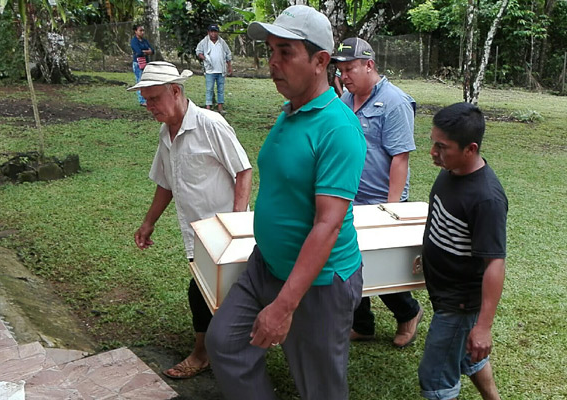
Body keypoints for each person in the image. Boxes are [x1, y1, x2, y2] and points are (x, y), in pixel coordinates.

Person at [205, 6, 366, 400]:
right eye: (271, 51)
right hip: (267, 265)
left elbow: (327, 225)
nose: (272, 64)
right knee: (225, 342)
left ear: (320, 61)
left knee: (320, 388)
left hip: (319, 283)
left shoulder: (339, 130)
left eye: (285, 52)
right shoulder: (290, 112)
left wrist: (283, 306)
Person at [126, 61, 252, 379]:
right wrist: (148, 222)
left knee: (204, 292)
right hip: (196, 232)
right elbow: (166, 181)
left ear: (176, 91)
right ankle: (224, 347)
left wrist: (237, 223)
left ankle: (203, 354)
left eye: (153, 98)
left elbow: (243, 170)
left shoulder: (211, 124)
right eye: (145, 99)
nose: (148, 106)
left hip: (224, 231)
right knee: (212, 292)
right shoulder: (165, 133)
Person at [332, 37, 424, 348]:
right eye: (341, 70)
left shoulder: (395, 102)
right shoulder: (345, 101)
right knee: (349, 263)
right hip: (350, 198)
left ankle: (409, 312)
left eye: (350, 69)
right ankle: (363, 324)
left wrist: (390, 209)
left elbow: (400, 158)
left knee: (382, 267)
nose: (344, 76)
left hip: (382, 201)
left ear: (369, 65)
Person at [418, 102, 507, 400]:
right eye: (433, 143)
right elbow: (442, 222)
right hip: (444, 293)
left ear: (470, 149)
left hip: (459, 303)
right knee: (468, 355)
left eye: (442, 147)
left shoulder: (486, 199)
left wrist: (483, 327)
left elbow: (495, 263)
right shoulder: (451, 170)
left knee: (435, 378)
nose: (433, 152)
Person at [195, 24, 233, 115]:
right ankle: (208, 107)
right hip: (210, 70)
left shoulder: (222, 42)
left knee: (220, 89)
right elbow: (198, 51)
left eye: (215, 31)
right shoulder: (204, 42)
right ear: (208, 32)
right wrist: (204, 58)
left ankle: (220, 107)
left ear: (217, 32)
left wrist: (229, 67)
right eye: (211, 31)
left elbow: (228, 54)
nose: (213, 34)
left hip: (221, 70)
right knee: (209, 89)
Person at [130, 24, 154, 106]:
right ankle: (142, 100)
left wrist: (145, 51)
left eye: (143, 30)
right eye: (140, 30)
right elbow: (138, 52)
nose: (142, 32)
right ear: (135, 31)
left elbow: (152, 50)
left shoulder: (144, 41)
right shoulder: (134, 41)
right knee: (140, 81)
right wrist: (147, 51)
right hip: (138, 63)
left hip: (146, 63)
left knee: (147, 81)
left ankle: (148, 99)